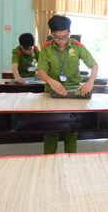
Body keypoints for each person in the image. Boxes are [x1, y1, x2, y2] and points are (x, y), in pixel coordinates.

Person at [37, 15, 98, 154]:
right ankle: (49, 158)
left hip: (73, 93)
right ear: (52, 34)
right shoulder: (46, 48)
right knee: (51, 128)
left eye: (64, 37)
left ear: (69, 32)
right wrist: (51, 81)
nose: (61, 41)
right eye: (57, 37)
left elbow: (94, 65)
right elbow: (40, 71)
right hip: (52, 92)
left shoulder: (77, 46)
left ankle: (71, 159)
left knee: (72, 128)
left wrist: (90, 82)